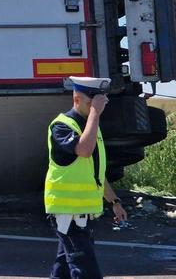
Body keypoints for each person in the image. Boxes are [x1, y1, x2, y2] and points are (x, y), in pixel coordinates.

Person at [45, 76, 128, 279]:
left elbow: (96, 173)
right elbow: (83, 150)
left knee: (63, 270)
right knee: (87, 273)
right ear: (76, 99)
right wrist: (94, 115)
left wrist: (114, 201)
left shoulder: (91, 128)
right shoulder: (62, 126)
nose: (97, 108)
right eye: (92, 103)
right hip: (68, 215)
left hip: (83, 214)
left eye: (99, 103)